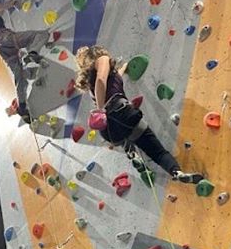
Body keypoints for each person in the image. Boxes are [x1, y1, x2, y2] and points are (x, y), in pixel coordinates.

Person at [74, 45, 204, 184]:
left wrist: (124, 68)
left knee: (126, 137)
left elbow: (113, 78)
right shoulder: (102, 59)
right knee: (158, 153)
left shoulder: (92, 82)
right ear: (97, 53)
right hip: (121, 113)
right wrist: (100, 111)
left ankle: (131, 151)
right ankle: (176, 172)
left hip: (109, 131)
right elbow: (101, 80)